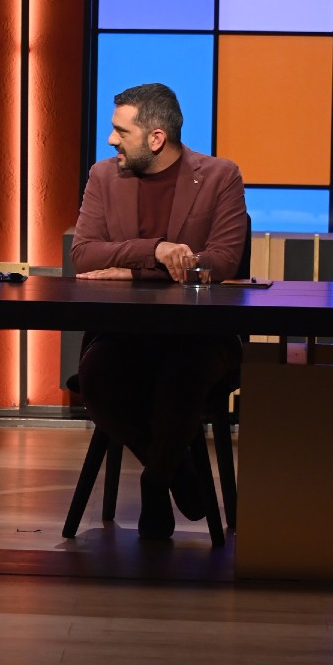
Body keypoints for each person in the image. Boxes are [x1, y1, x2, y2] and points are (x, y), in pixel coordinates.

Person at [70, 83, 248, 539]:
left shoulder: (220, 176)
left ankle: (154, 482)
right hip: (125, 332)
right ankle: (175, 471)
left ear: (155, 138)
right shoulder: (103, 177)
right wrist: (155, 251)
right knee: (96, 377)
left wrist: (132, 270)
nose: (111, 140)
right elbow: (84, 255)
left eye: (121, 131)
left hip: (201, 334)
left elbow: (223, 261)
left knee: (180, 377)